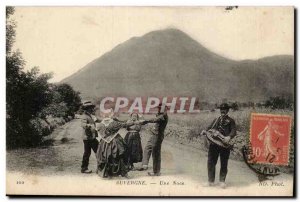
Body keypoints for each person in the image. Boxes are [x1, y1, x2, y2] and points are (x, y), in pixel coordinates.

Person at [96, 110, 145, 178]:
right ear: (110, 115)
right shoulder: (114, 123)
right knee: (119, 155)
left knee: (105, 156)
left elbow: (98, 132)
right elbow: (125, 125)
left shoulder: (100, 124)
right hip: (115, 141)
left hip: (104, 143)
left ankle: (107, 173)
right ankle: (123, 172)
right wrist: (135, 122)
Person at [203, 103, 236, 188]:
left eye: (224, 109)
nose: (223, 111)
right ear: (220, 110)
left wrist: (229, 137)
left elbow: (233, 131)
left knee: (224, 163)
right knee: (211, 162)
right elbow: (209, 127)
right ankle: (210, 181)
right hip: (214, 144)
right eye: (221, 109)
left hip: (225, 145)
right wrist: (205, 131)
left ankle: (222, 181)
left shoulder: (231, 120)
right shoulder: (216, 119)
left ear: (227, 110)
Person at [138, 103, 168, 176]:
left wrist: (145, 121)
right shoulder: (160, 115)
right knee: (148, 148)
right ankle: (145, 165)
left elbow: (155, 120)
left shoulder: (163, 116)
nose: (159, 109)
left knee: (155, 153)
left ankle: (156, 171)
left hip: (157, 136)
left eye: (160, 108)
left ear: (164, 109)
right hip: (154, 135)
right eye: (158, 108)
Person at [80, 100, 99, 174]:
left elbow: (97, 121)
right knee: (88, 153)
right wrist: (89, 126)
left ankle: (100, 167)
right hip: (88, 138)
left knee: (97, 150)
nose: (92, 109)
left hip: (92, 137)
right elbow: (83, 125)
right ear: (87, 108)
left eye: (91, 107)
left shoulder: (90, 115)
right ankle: (84, 168)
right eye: (90, 108)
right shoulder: (85, 116)